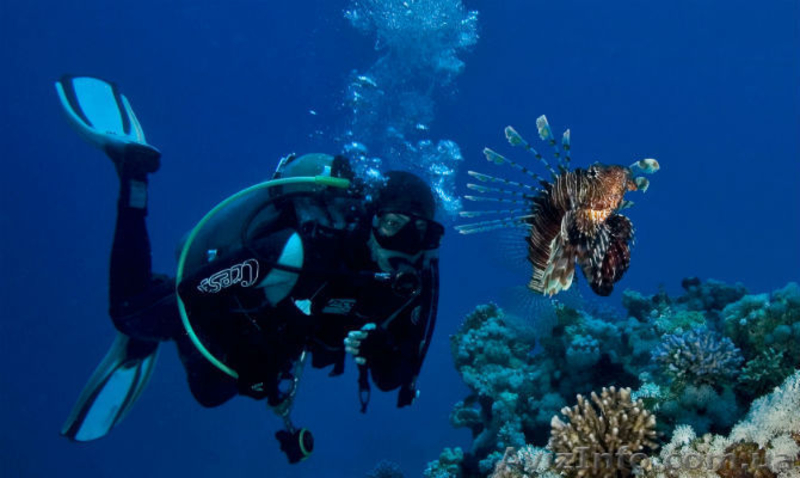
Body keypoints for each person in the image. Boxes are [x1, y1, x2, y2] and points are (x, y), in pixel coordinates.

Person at [55, 75, 443, 463]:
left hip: (271, 335)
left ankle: (156, 328)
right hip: (227, 307)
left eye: (421, 233)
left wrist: (383, 348)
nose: (405, 247)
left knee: (212, 394)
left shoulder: (412, 285)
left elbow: (393, 379)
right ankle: (132, 174)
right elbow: (195, 293)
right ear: (370, 220)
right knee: (129, 313)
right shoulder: (300, 251)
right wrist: (253, 354)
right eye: (393, 226)